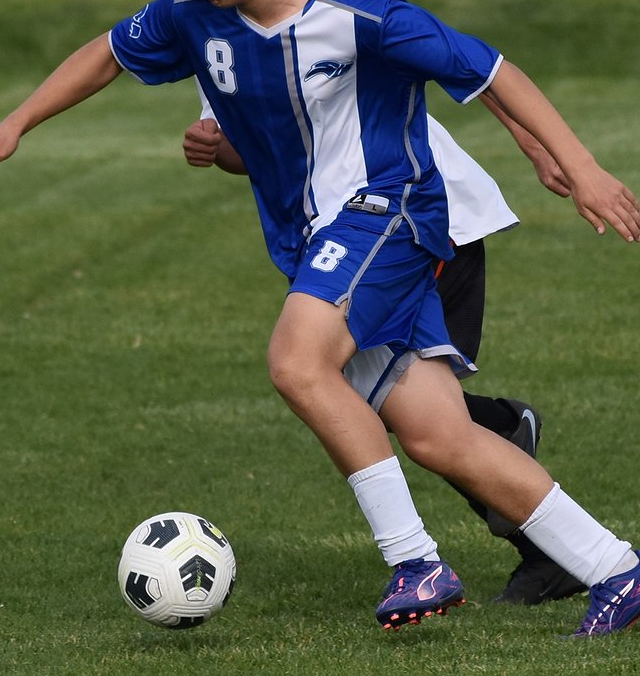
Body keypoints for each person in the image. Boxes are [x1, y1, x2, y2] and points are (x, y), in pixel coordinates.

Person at [0, 0, 640, 636]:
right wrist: (15, 124)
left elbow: (492, 69)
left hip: (389, 210)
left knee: (296, 361)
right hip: (317, 237)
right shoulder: (193, 14)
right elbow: (106, 52)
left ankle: (416, 560)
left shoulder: (361, 15)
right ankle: (619, 568)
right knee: (438, 435)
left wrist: (581, 167)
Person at [184, 97, 586, 605]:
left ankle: (553, 547)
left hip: (418, 222)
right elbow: (268, 143)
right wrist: (219, 148)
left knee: (396, 407)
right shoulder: (215, 47)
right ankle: (512, 459)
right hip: (348, 236)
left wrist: (538, 142)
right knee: (383, 406)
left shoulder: (334, 34)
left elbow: (470, 66)